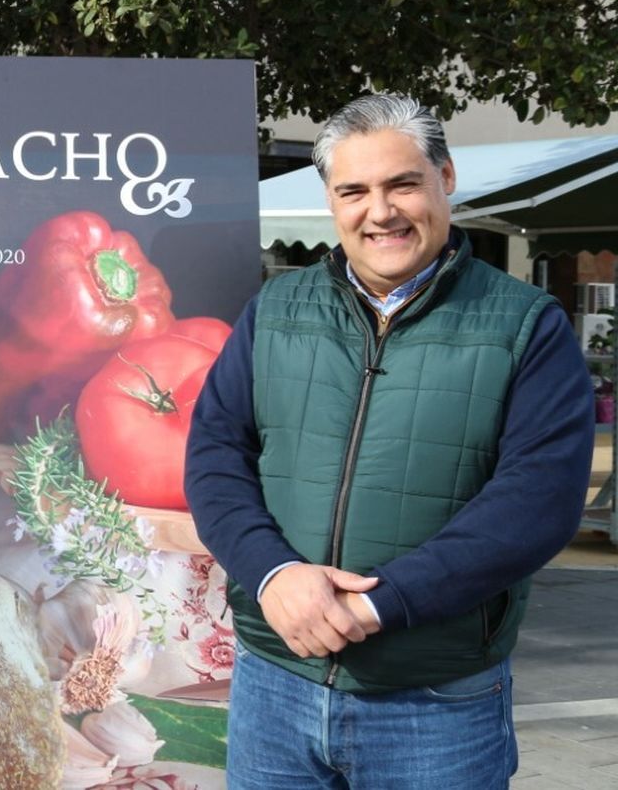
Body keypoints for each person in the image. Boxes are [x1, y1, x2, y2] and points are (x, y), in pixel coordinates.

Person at [186, 94, 595, 788]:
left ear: (446, 177)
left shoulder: (527, 325)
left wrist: (374, 604)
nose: (380, 212)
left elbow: (536, 505)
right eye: (354, 191)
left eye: (402, 184)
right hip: (275, 682)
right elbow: (215, 458)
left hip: (435, 702)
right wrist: (275, 574)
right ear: (330, 200)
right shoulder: (275, 310)